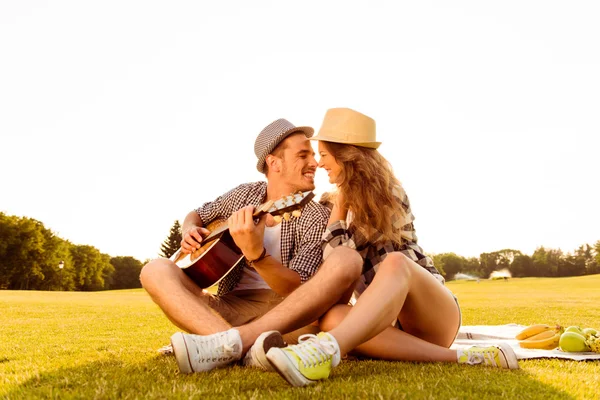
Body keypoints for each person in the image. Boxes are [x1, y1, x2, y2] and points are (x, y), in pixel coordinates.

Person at [166, 108, 518, 381]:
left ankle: (324, 352)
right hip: (384, 325)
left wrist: (335, 212)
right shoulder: (326, 200)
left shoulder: (386, 195)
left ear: (346, 155)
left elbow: (347, 261)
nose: (318, 163)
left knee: (394, 264)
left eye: (323, 154)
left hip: (429, 314)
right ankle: (465, 357)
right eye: (310, 155)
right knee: (333, 317)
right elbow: (335, 281)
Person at [139, 118, 331, 371]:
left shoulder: (316, 215)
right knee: (154, 270)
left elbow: (297, 288)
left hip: (286, 313)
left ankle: (216, 342)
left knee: (325, 320)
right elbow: (197, 214)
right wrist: (189, 230)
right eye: (303, 155)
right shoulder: (244, 194)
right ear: (274, 163)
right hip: (229, 306)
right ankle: (236, 345)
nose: (315, 163)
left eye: (314, 156)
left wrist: (256, 254)